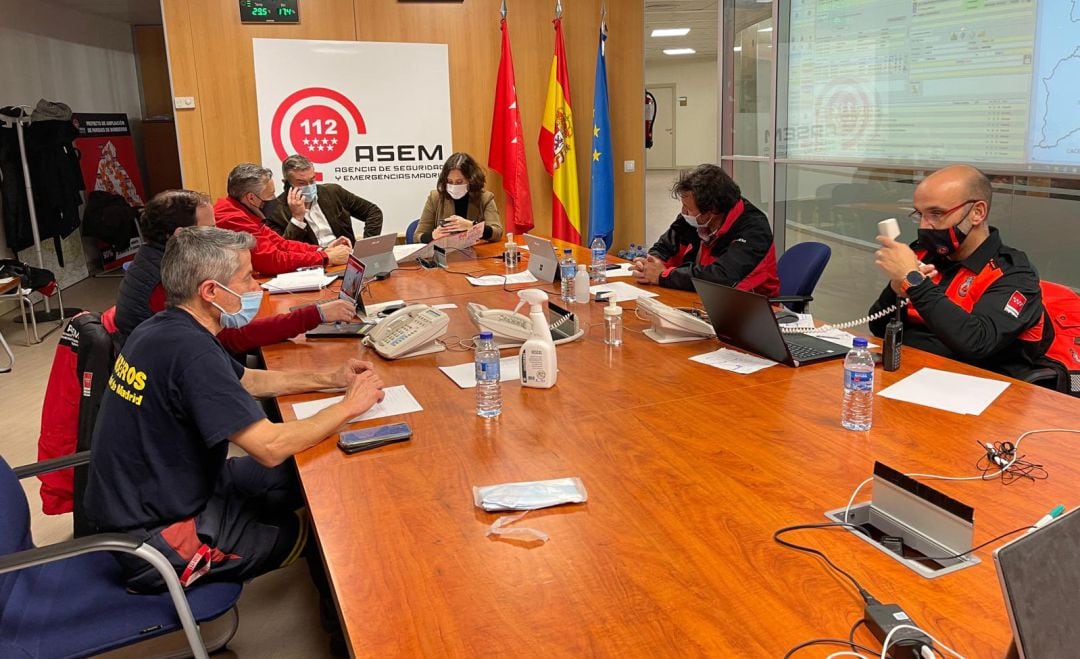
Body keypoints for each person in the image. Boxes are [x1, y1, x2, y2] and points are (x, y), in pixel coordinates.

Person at [84, 227, 385, 651]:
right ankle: (348, 642)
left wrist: (329, 379)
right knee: (321, 528)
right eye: (246, 278)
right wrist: (349, 406)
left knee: (303, 477)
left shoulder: (166, 329)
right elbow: (268, 446)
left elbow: (243, 380)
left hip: (164, 491)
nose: (255, 286)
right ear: (211, 290)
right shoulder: (190, 350)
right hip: (159, 540)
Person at [104, 189, 356, 352]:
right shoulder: (167, 283)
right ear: (182, 235)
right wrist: (312, 315)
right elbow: (229, 339)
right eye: (209, 229)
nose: (217, 235)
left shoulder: (159, 258)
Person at [869, 164, 1050, 378]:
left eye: (936, 213)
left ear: (977, 213)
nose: (925, 226)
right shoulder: (923, 254)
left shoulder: (1015, 274)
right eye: (920, 214)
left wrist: (914, 282)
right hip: (912, 373)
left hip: (979, 388)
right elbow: (879, 326)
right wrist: (896, 287)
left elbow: (976, 343)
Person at [631, 164, 779, 295]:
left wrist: (663, 275)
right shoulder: (694, 219)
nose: (684, 213)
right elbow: (665, 246)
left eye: (688, 208)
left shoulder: (754, 229)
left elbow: (721, 278)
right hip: (698, 299)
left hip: (750, 309)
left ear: (712, 210)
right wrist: (651, 262)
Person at [214, 163, 352, 275]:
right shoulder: (231, 217)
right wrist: (327, 258)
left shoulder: (245, 211)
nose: (275, 199)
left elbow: (281, 244)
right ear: (251, 198)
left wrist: (322, 250)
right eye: (271, 194)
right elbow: (272, 261)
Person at [266, 154, 383, 245]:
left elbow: (373, 212)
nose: (309, 186)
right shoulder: (275, 212)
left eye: (312, 180)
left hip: (347, 259)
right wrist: (297, 218)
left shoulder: (332, 192)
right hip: (311, 267)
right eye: (301, 183)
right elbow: (283, 251)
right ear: (287, 183)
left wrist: (366, 247)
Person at [415, 152, 503, 243]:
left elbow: (497, 232)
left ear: (471, 180)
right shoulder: (435, 198)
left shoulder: (485, 198)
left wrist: (473, 226)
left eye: (459, 182)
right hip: (444, 254)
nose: (454, 186)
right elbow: (417, 236)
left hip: (475, 253)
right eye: (450, 181)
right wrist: (432, 236)